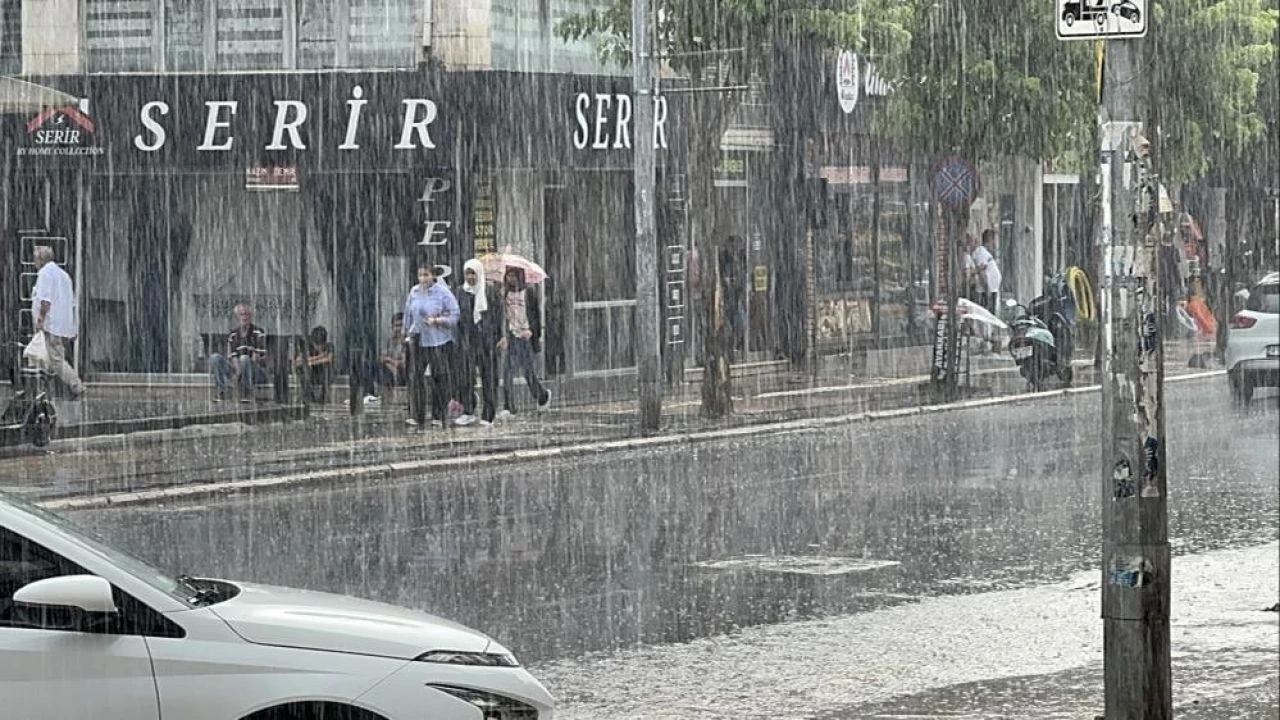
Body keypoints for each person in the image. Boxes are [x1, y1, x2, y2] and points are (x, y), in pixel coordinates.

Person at [403, 264, 460, 429]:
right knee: (416, 377)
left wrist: (438, 321)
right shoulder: (414, 292)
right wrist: (406, 332)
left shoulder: (442, 293)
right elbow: (408, 313)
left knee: (439, 378)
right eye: (420, 275)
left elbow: (455, 315)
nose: (423, 279)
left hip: (439, 340)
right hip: (418, 338)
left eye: (426, 275)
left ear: (433, 276)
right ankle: (416, 414)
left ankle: (438, 415)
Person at [29, 245, 86, 398]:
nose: (34, 262)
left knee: (56, 359)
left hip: (52, 324)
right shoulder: (63, 275)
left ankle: (76, 386)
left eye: (35, 258)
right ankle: (47, 389)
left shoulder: (45, 274)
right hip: (62, 325)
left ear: (41, 259)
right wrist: (73, 327)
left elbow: (45, 300)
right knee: (49, 357)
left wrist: (40, 319)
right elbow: (71, 303)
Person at [455, 259, 504, 427]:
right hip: (468, 341)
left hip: (488, 341)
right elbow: (458, 316)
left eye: (473, 273)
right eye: (467, 273)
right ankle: (468, 410)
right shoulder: (461, 291)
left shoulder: (489, 291)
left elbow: (499, 316)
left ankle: (488, 414)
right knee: (465, 377)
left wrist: (501, 336)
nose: (470, 277)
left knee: (489, 377)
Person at [499, 266, 551, 416]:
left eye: (514, 276)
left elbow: (535, 314)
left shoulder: (528, 292)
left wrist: (533, 333)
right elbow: (502, 314)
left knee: (528, 372)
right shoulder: (504, 293)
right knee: (507, 372)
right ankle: (509, 407)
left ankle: (542, 395)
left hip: (525, 337)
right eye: (508, 276)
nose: (511, 279)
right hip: (511, 336)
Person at [209, 303, 269, 402]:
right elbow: (233, 357)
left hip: (255, 372)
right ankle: (222, 390)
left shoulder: (258, 332)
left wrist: (244, 367)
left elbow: (258, 357)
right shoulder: (233, 334)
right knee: (215, 357)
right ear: (237, 317)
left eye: (246, 314)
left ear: (251, 316)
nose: (244, 317)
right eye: (241, 314)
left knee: (244, 358)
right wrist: (237, 372)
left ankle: (247, 391)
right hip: (238, 370)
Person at [294, 325, 334, 404]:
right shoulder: (308, 347)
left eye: (321, 345)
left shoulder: (329, 346)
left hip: (322, 375)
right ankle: (308, 396)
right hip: (310, 375)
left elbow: (329, 359)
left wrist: (309, 361)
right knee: (304, 369)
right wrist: (320, 357)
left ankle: (324, 396)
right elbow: (297, 362)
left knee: (327, 367)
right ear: (312, 342)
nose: (319, 347)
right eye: (317, 344)